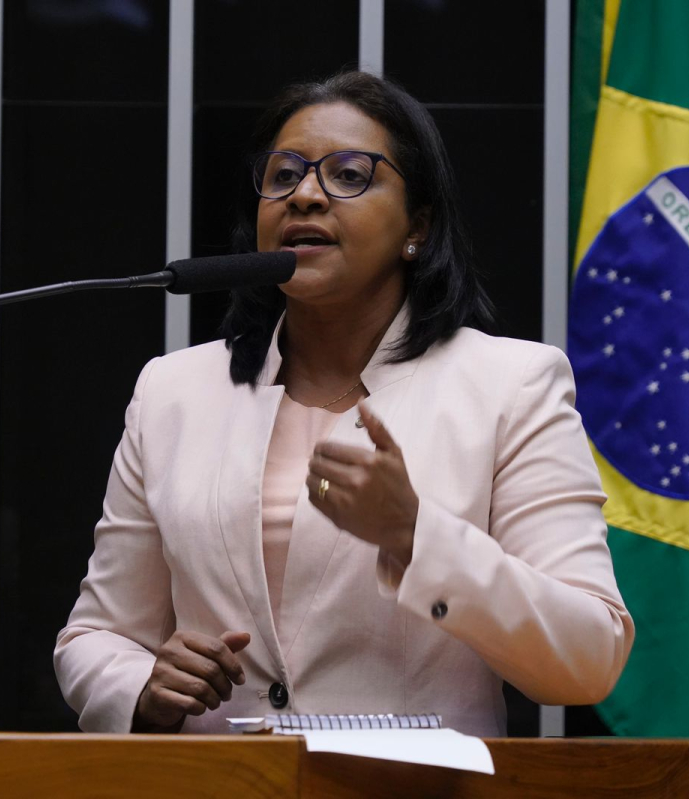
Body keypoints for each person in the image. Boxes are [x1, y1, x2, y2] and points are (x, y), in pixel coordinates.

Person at [54, 71, 633, 736]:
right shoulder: (173, 392)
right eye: (283, 175)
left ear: (418, 227)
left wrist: (414, 535)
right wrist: (141, 686)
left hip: (413, 783)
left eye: (349, 175)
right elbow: (96, 635)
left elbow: (588, 657)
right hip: (223, 779)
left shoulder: (512, 385)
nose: (304, 194)